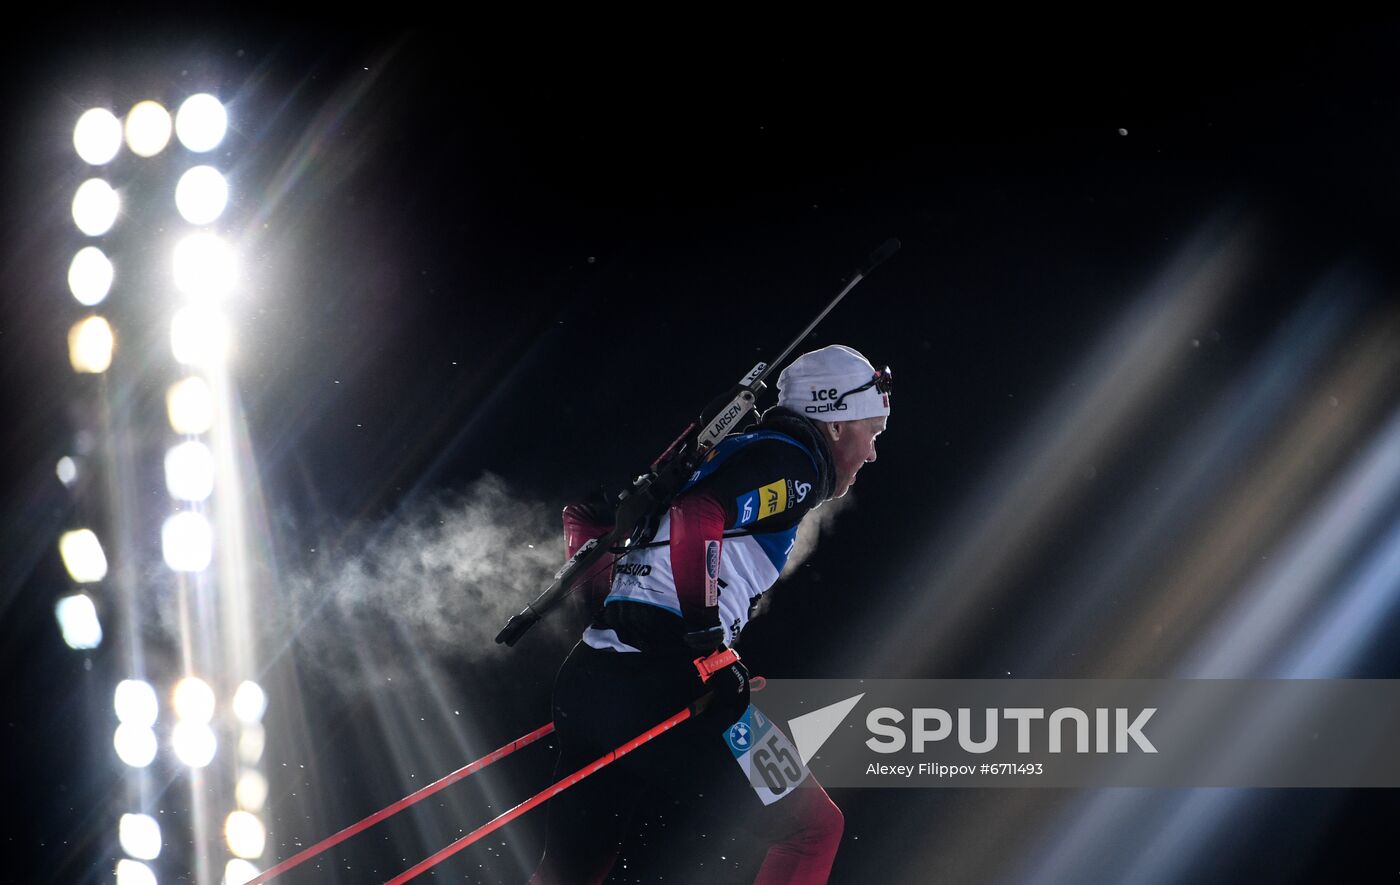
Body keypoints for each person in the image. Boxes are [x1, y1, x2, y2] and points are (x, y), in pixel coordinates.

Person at [531, 344, 890, 884]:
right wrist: (708, 648)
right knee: (813, 829)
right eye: (872, 432)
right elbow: (696, 513)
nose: (872, 453)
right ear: (835, 423)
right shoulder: (795, 463)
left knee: (570, 874)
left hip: (591, 678)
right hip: (673, 686)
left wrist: (609, 615)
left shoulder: (727, 450)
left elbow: (584, 516)